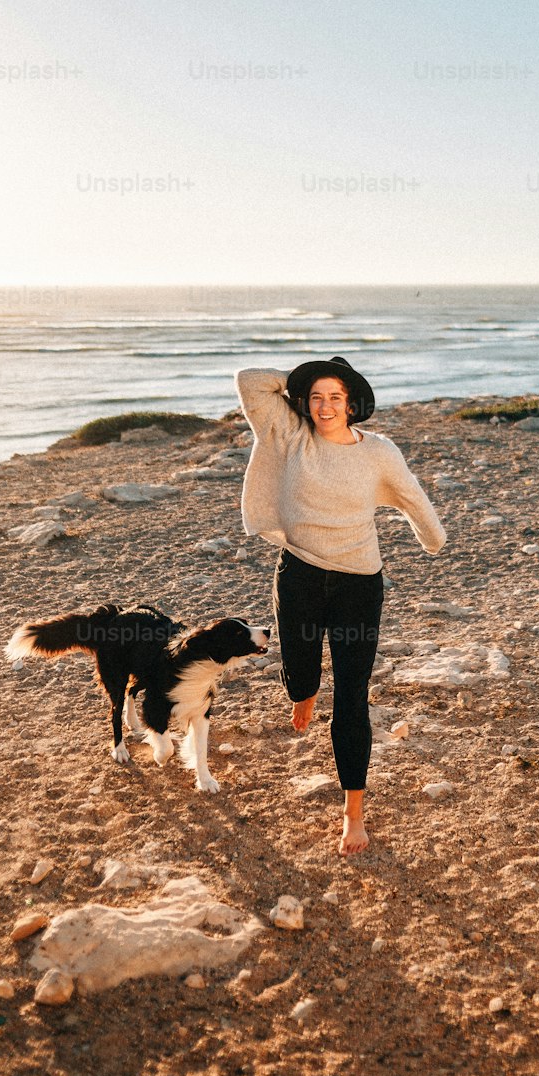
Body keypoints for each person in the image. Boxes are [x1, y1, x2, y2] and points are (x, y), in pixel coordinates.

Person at [234, 356, 446, 855]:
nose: (325, 406)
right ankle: (304, 691)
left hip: (358, 586)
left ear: (352, 405)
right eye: (316, 397)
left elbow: (412, 497)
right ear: (304, 403)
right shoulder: (290, 436)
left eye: (336, 397)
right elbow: (249, 382)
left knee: (352, 697)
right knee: (300, 672)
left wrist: (433, 539)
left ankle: (354, 814)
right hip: (301, 576)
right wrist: (303, 379)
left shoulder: (379, 452)